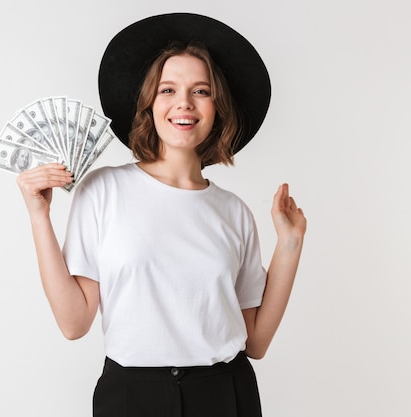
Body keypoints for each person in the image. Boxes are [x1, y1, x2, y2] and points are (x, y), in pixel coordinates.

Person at [16, 13, 306, 417]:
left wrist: (290, 245)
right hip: (132, 397)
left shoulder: (233, 212)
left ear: (217, 107)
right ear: (149, 103)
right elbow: (74, 323)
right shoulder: (103, 190)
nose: (184, 103)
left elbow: (255, 342)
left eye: (200, 90)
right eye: (168, 89)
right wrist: (38, 216)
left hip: (225, 394)